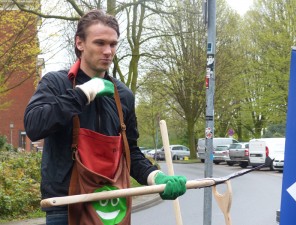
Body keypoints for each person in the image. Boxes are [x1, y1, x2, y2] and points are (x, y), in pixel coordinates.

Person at [24, 9, 187, 225]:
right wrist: (82, 94)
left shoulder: (124, 96)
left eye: (113, 44)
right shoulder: (56, 83)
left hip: (110, 208)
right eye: (100, 43)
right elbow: (34, 125)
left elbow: (131, 154)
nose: (108, 51)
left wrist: (155, 177)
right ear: (80, 43)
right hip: (65, 209)